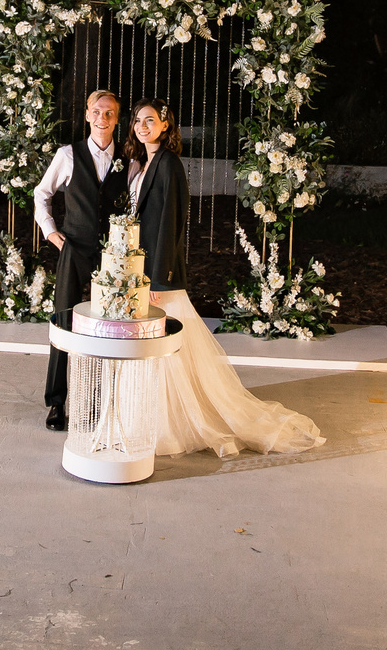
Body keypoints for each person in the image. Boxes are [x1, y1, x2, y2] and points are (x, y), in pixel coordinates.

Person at [123, 98, 326, 460]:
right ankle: (158, 418)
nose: (142, 126)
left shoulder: (168, 164)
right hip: (144, 270)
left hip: (159, 277)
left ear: (166, 126)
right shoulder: (143, 163)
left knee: (171, 350)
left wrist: (156, 278)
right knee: (164, 352)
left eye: (150, 120)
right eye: (138, 120)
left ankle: (174, 425)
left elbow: (171, 224)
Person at [33, 88, 129, 431]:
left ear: (117, 119)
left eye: (109, 113)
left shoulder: (129, 157)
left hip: (113, 257)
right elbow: (41, 193)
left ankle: (102, 403)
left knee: (110, 327)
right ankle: (57, 403)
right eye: (97, 111)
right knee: (63, 323)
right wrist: (50, 231)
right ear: (87, 114)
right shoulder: (68, 155)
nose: (102, 118)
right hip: (74, 249)